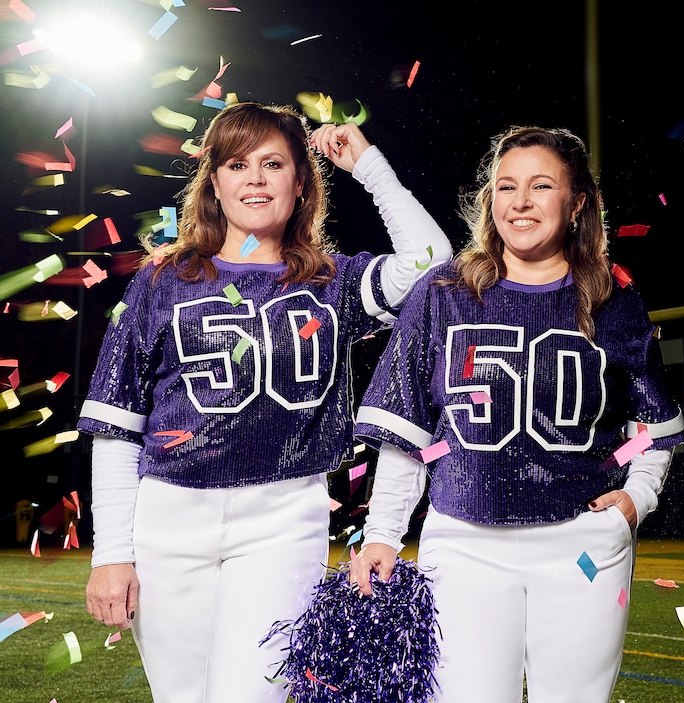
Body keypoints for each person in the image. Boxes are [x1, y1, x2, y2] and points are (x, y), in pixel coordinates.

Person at [76, 102, 453, 702]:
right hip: (168, 521)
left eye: (273, 163)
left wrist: (371, 168)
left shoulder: (334, 283)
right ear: (215, 183)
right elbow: (116, 427)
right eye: (236, 164)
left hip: (284, 523)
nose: (254, 178)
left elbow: (434, 263)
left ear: (299, 184)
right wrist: (112, 554)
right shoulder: (162, 279)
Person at [350, 125, 684, 702]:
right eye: (507, 187)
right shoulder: (444, 292)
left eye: (540, 186)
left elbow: (646, 428)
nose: (521, 202)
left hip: (582, 548)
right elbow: (408, 431)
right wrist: (382, 533)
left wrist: (637, 497)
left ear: (577, 202)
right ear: (490, 200)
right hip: (463, 546)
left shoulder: (611, 298)